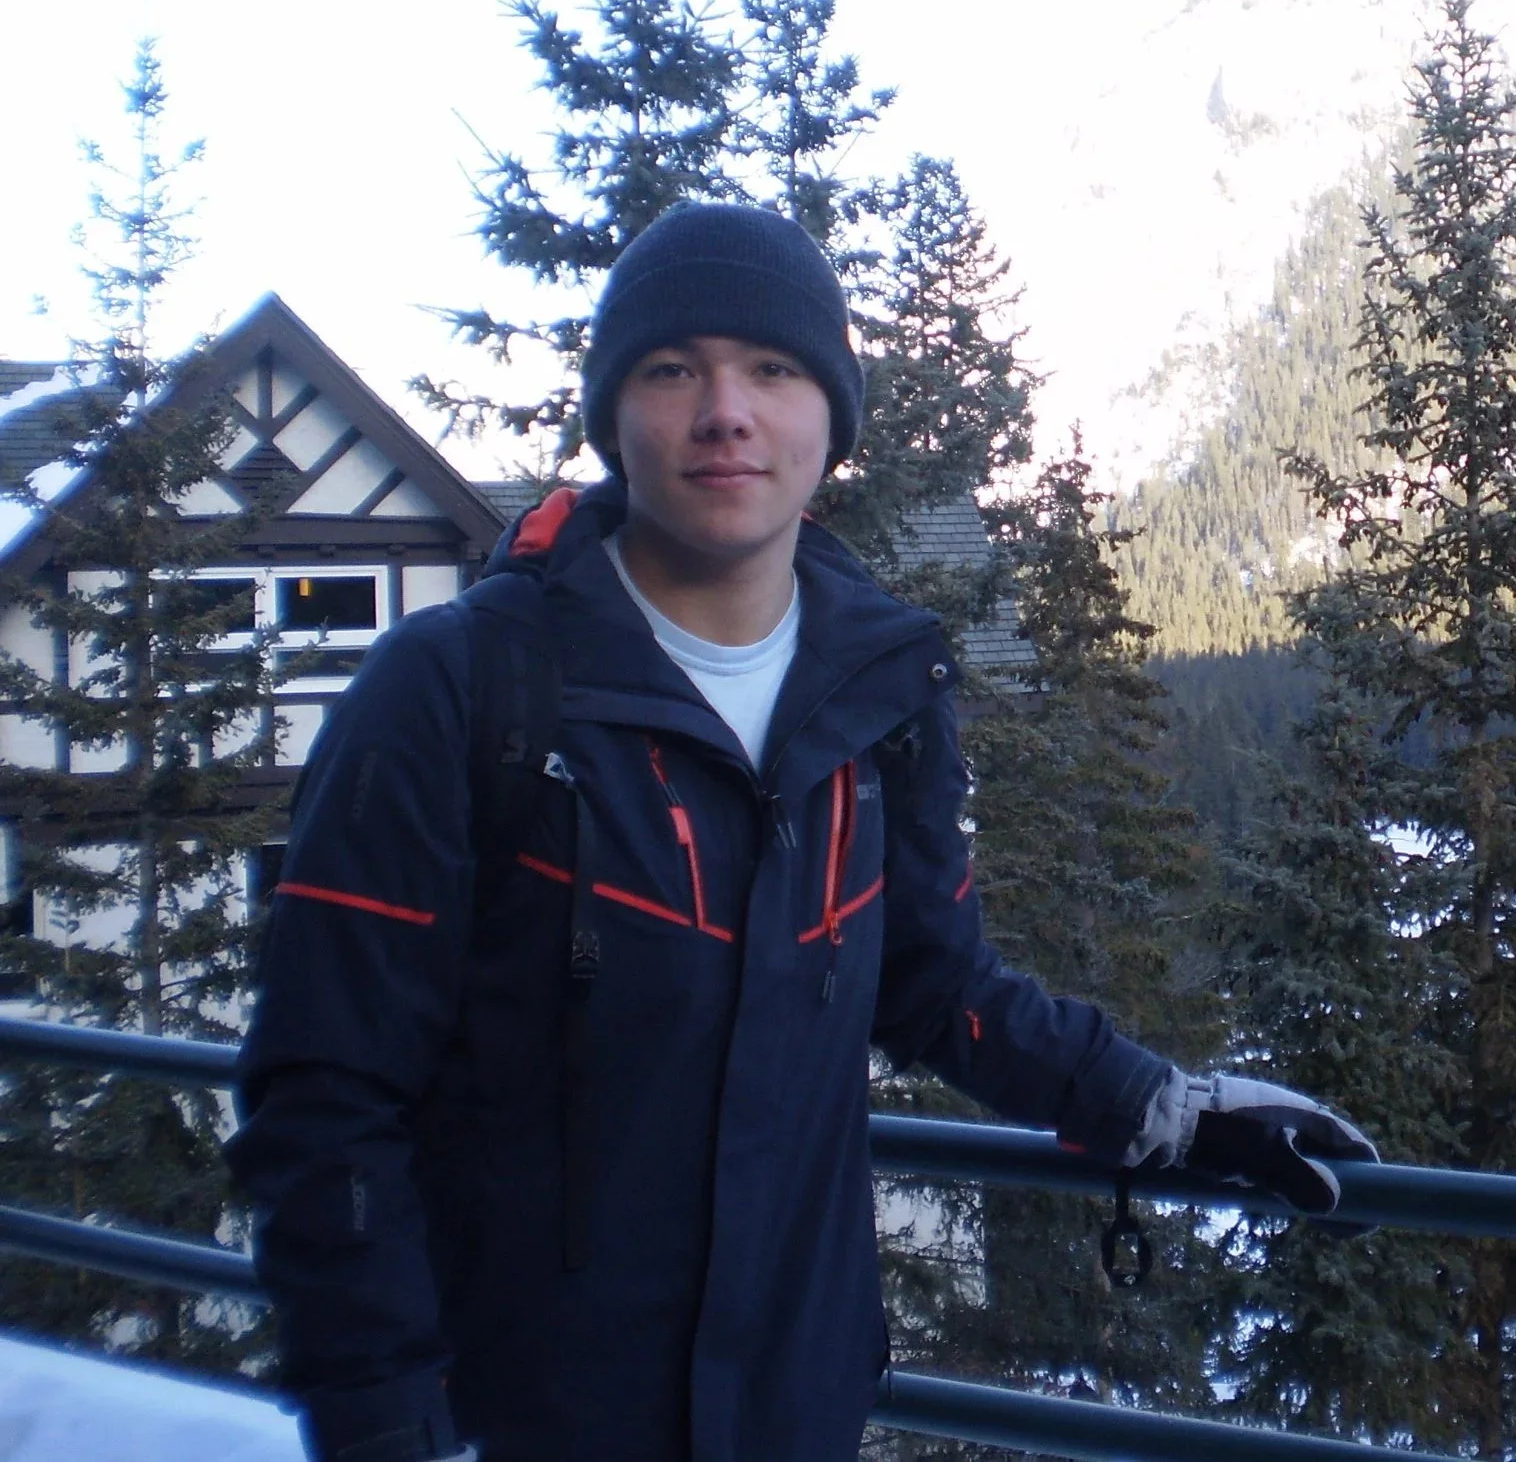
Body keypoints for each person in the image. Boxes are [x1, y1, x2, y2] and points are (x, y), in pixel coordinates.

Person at [228, 203, 1376, 1462]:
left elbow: (934, 986)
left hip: (794, 1408)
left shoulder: (880, 695)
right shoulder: (456, 692)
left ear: (832, 417)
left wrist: (1162, 1111)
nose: (726, 412)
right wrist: (382, 1419)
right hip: (523, 1422)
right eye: (673, 370)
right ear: (613, 416)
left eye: (773, 369)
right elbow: (326, 1092)